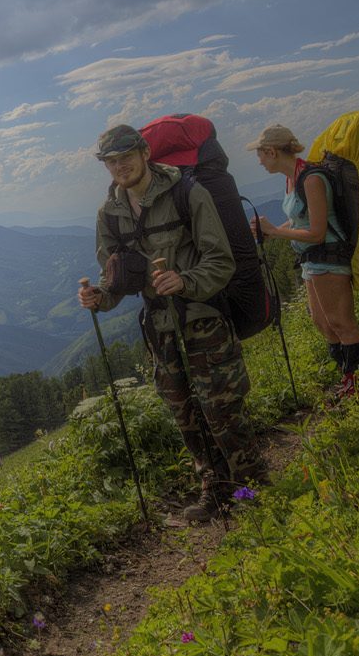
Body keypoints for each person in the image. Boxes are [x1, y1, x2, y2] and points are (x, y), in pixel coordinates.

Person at [77, 124, 265, 525]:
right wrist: (98, 298)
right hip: (160, 330)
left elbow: (221, 260)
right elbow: (116, 280)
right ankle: (214, 490)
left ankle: (251, 489)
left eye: (126, 155)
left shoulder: (187, 193)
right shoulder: (109, 214)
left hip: (203, 319)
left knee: (222, 409)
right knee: (185, 414)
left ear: (145, 152)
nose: (119, 165)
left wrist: (185, 281)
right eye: (111, 160)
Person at [247, 124, 359, 400]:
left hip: (329, 256)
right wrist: (271, 233)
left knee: (342, 323)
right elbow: (298, 220)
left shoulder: (312, 179)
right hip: (311, 260)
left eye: (260, 154)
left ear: (272, 151)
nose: (259, 160)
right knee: (324, 324)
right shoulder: (292, 178)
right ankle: (349, 378)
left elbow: (316, 232)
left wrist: (275, 232)